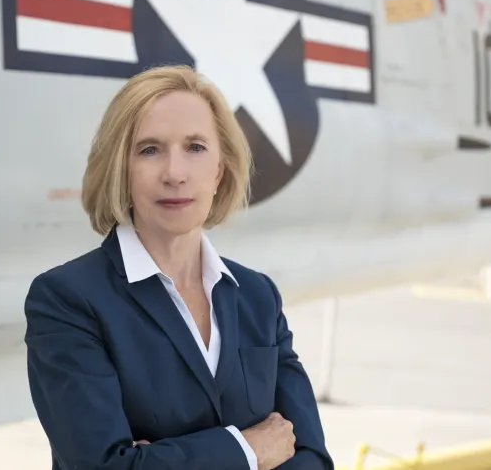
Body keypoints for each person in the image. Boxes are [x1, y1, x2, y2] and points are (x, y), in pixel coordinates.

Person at [24, 64, 333, 470]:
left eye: (195, 147)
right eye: (149, 149)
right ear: (122, 169)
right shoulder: (67, 300)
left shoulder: (258, 296)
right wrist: (248, 450)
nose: (174, 173)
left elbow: (310, 458)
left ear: (220, 171)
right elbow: (105, 466)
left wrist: (155, 459)